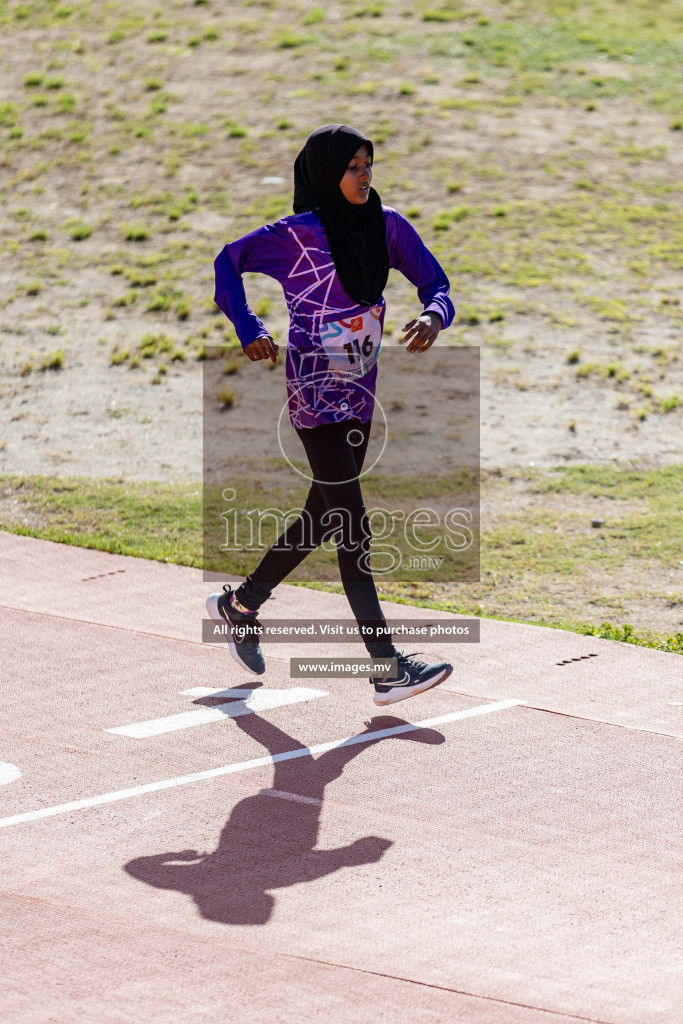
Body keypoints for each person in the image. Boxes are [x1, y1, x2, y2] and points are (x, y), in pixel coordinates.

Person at [208, 123, 455, 706]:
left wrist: (435, 315)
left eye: (369, 164)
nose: (365, 175)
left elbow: (437, 281)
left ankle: (241, 604)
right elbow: (228, 261)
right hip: (315, 398)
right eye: (352, 167)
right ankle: (387, 666)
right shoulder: (296, 236)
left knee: (322, 516)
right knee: (353, 526)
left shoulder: (388, 226)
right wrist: (248, 326)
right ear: (325, 174)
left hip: (360, 395)